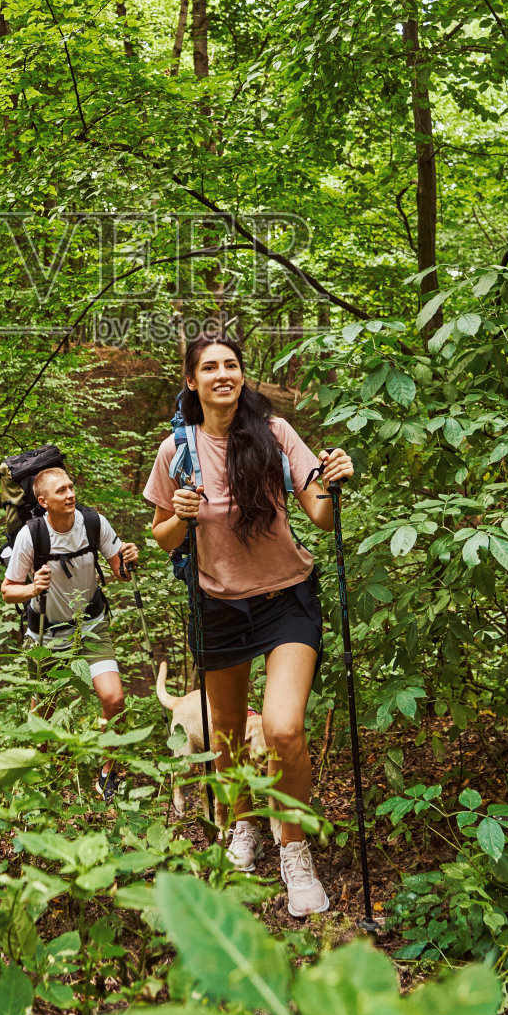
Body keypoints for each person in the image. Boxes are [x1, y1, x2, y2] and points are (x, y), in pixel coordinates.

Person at [143, 333, 353, 917]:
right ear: (192, 382)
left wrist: (334, 481)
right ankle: (243, 826)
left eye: (230, 365)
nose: (221, 374)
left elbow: (320, 512)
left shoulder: (277, 434)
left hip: (287, 598)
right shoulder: (176, 451)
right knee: (227, 735)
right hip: (218, 606)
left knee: (283, 728)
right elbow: (162, 536)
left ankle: (294, 849)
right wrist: (179, 518)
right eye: (208, 367)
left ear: (242, 375)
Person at [1, 466, 139, 799]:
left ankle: (109, 772)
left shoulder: (93, 523)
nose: (70, 494)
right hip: (46, 633)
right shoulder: (31, 536)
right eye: (61, 491)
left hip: (90, 626)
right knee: (44, 710)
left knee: (114, 699)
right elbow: (8, 590)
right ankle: (40, 770)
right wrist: (33, 588)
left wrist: (129, 560)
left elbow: (120, 570)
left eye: (71, 487)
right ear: (43, 500)